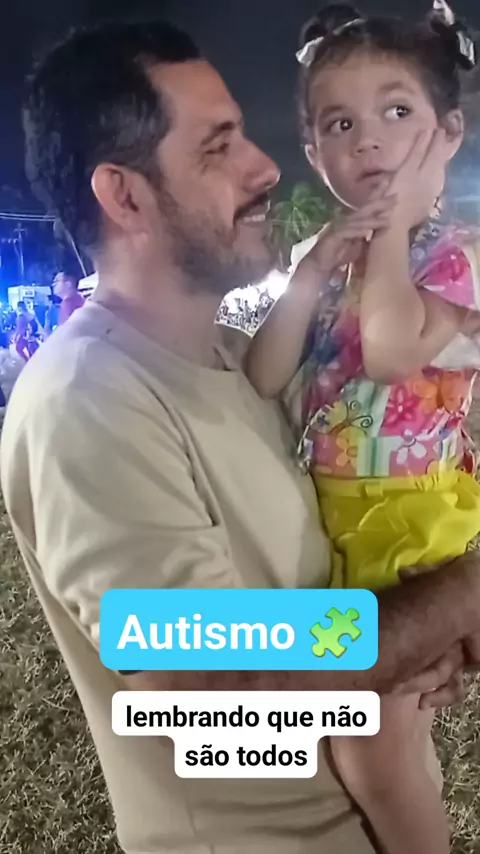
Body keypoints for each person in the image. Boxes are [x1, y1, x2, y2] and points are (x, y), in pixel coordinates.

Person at [2, 19, 480, 854]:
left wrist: (414, 646)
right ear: (125, 196)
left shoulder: (236, 356)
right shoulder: (90, 397)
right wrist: (452, 600)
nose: (266, 168)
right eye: (218, 148)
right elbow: (216, 686)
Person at [245, 3, 480, 853]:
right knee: (381, 733)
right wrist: (312, 269)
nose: (369, 140)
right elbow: (267, 373)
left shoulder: (460, 254)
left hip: (411, 520)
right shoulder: (334, 261)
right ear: (315, 153)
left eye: (397, 112)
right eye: (340, 124)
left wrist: (386, 233)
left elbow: (387, 351)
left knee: (368, 742)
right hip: (339, 522)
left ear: (449, 134)